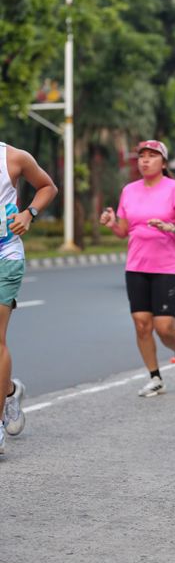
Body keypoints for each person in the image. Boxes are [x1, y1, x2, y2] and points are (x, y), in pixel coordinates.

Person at [100, 140, 175, 397]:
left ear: (163, 163)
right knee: (142, 325)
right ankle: (155, 377)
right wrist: (111, 224)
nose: (145, 160)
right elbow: (123, 231)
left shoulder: (174, 188)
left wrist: (171, 227)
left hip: (166, 267)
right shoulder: (129, 190)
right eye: (141, 156)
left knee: (164, 328)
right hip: (136, 266)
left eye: (152, 156)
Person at [0, 142, 57, 455]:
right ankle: (8, 391)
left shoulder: (13, 158)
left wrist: (29, 213)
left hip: (5, 255)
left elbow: (48, 186)